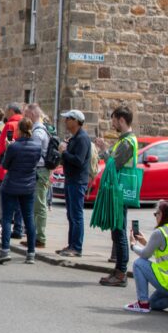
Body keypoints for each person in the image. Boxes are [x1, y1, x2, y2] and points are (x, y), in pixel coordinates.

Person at [95, 106, 137, 286]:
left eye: (113, 120)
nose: (112, 124)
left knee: (119, 231)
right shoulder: (124, 140)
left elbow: (114, 163)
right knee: (116, 230)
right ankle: (119, 270)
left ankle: (121, 273)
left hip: (119, 190)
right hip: (117, 189)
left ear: (121, 120)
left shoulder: (127, 142)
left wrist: (104, 150)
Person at [0, 117, 41, 264]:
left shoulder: (14, 147)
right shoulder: (36, 146)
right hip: (28, 186)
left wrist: (8, 148)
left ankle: (5, 250)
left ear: (19, 130)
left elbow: (5, 165)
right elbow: (35, 163)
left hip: (11, 185)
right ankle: (31, 253)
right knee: (28, 219)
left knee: (7, 218)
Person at [124, 200, 168, 312]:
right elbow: (167, 252)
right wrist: (146, 243)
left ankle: (142, 303)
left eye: (156, 214)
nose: (156, 216)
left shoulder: (160, 232)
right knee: (154, 304)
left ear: (162, 215)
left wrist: (133, 245)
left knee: (139, 263)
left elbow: (145, 255)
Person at [56, 110, 92, 258]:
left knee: (76, 215)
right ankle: (71, 245)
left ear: (76, 121)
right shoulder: (75, 138)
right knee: (71, 215)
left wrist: (64, 153)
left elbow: (79, 160)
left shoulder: (82, 138)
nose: (66, 121)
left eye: (68, 118)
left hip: (77, 181)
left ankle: (76, 247)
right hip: (71, 179)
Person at [0, 105, 24, 235]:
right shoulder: (26, 124)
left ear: (12, 111)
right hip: (23, 168)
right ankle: (18, 227)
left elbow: (0, 148)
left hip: (8, 167)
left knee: (7, 202)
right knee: (21, 202)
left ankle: (6, 231)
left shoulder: (10, 125)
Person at [24, 103, 50, 249]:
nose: (25, 119)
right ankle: (34, 237)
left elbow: (34, 153)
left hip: (40, 171)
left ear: (32, 115)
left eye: (26, 115)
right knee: (36, 205)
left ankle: (39, 238)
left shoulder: (38, 132)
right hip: (40, 170)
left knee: (39, 205)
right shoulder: (40, 129)